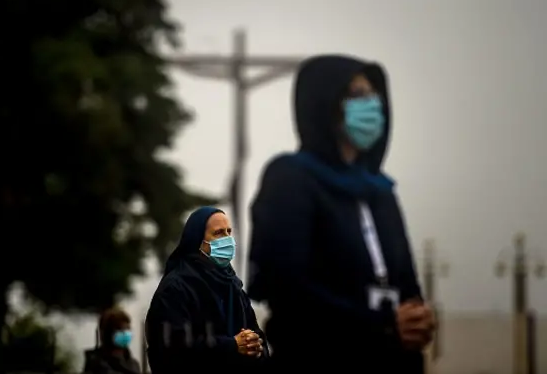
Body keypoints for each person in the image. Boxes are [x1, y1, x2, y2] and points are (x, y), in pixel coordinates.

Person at [248, 55, 436, 373]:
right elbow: (285, 286)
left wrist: (418, 319)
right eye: (356, 95)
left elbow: (407, 284)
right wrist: (381, 325)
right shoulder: (291, 178)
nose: (371, 105)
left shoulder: (381, 192)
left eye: (373, 94)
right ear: (323, 103)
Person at [145, 206, 269, 374]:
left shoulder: (233, 287)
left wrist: (255, 347)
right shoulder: (175, 289)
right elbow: (171, 351)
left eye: (228, 232)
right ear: (197, 241)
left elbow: (258, 338)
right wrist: (231, 346)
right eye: (218, 233)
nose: (227, 239)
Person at [83, 306, 141, 374]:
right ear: (108, 334)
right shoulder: (97, 365)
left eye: (128, 329)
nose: (126, 333)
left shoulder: (133, 364)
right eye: (121, 329)